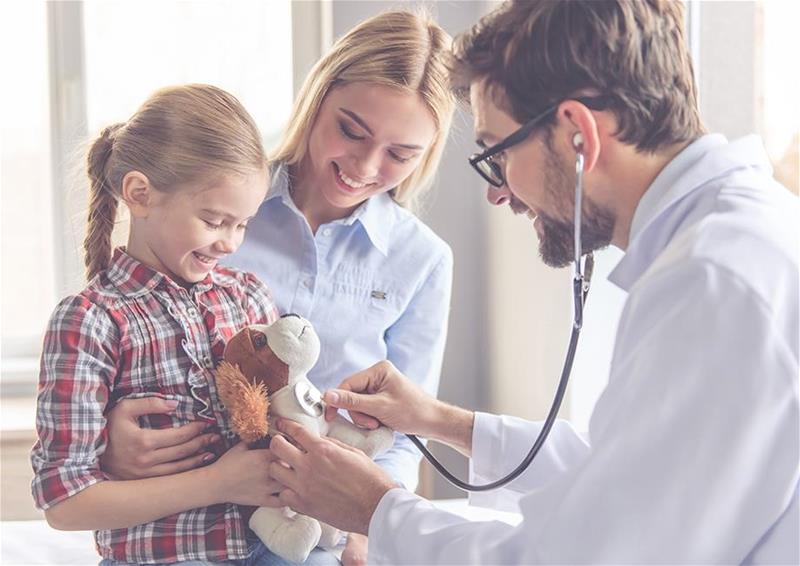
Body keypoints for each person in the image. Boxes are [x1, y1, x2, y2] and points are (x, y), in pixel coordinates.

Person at [256, 1, 800, 563]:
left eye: (498, 153)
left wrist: (379, 510)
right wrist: (441, 421)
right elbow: (619, 469)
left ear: (579, 136)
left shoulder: (712, 283)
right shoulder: (733, 240)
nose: (498, 193)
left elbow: (583, 554)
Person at [97, 10, 456, 565]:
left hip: (316, 524)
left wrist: (366, 527)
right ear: (317, 101)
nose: (364, 165)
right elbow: (123, 336)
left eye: (400, 155)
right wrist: (111, 443)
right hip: (190, 515)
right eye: (350, 130)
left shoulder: (423, 261)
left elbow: (404, 431)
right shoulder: (219, 205)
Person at [31, 85, 288, 564]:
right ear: (140, 195)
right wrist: (217, 482)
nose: (231, 242)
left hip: (271, 546)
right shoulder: (90, 321)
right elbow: (64, 501)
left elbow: (280, 417)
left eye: (243, 224)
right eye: (214, 221)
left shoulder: (249, 296)